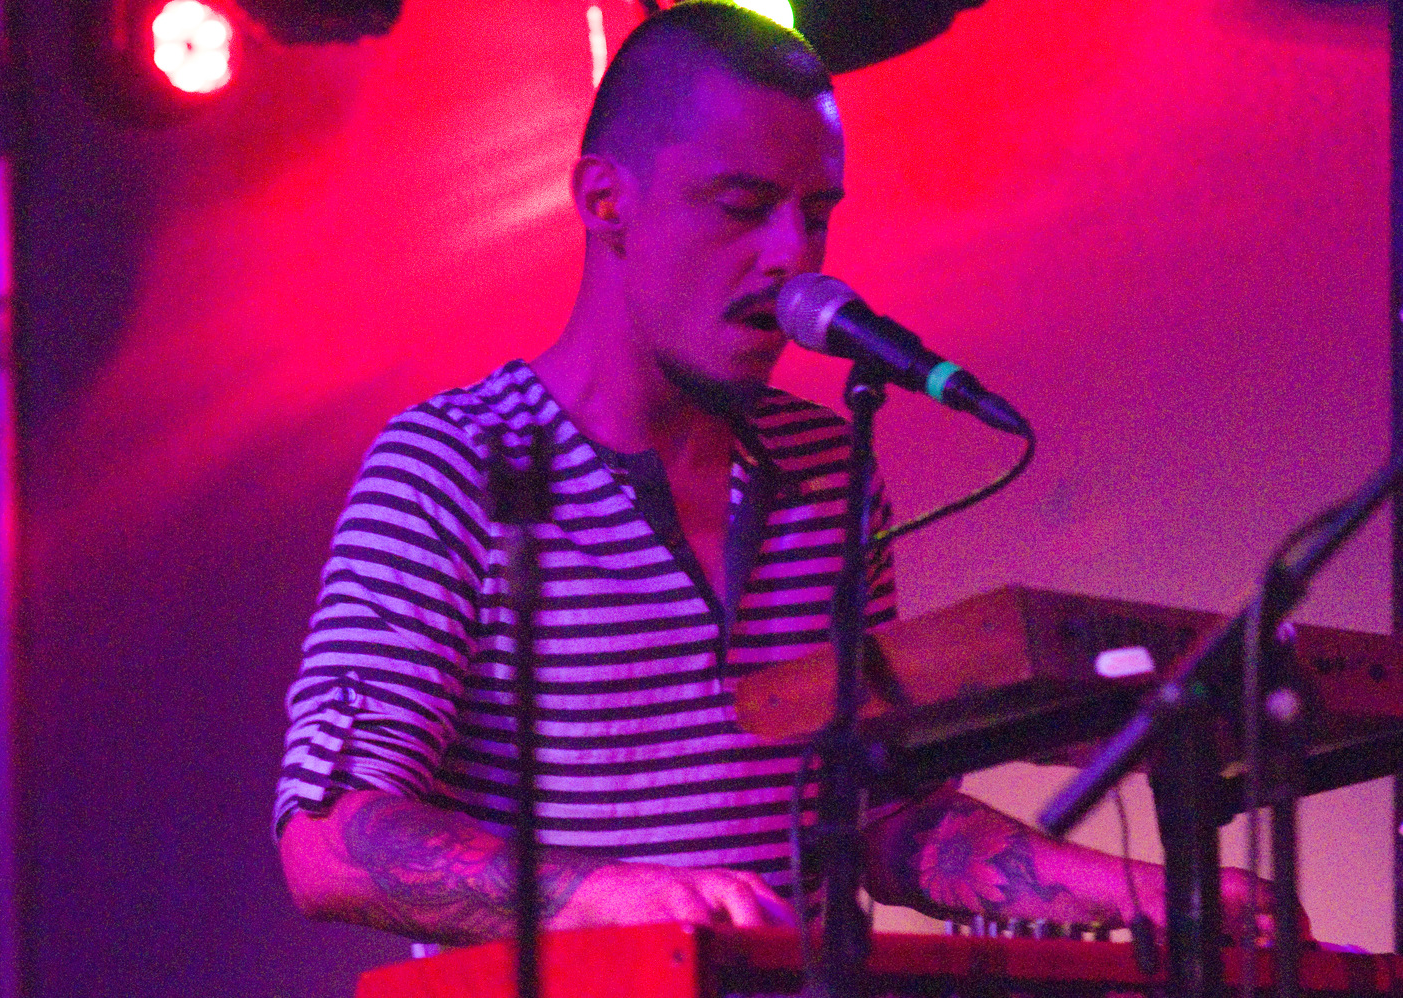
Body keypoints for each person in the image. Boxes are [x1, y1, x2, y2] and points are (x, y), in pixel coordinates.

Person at [275, 0, 1282, 950]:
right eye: (743, 207)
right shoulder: (452, 464)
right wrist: (610, 895)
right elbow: (328, 844)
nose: (792, 257)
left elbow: (880, 812)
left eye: (816, 214)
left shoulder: (830, 468)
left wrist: (1141, 891)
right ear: (604, 200)